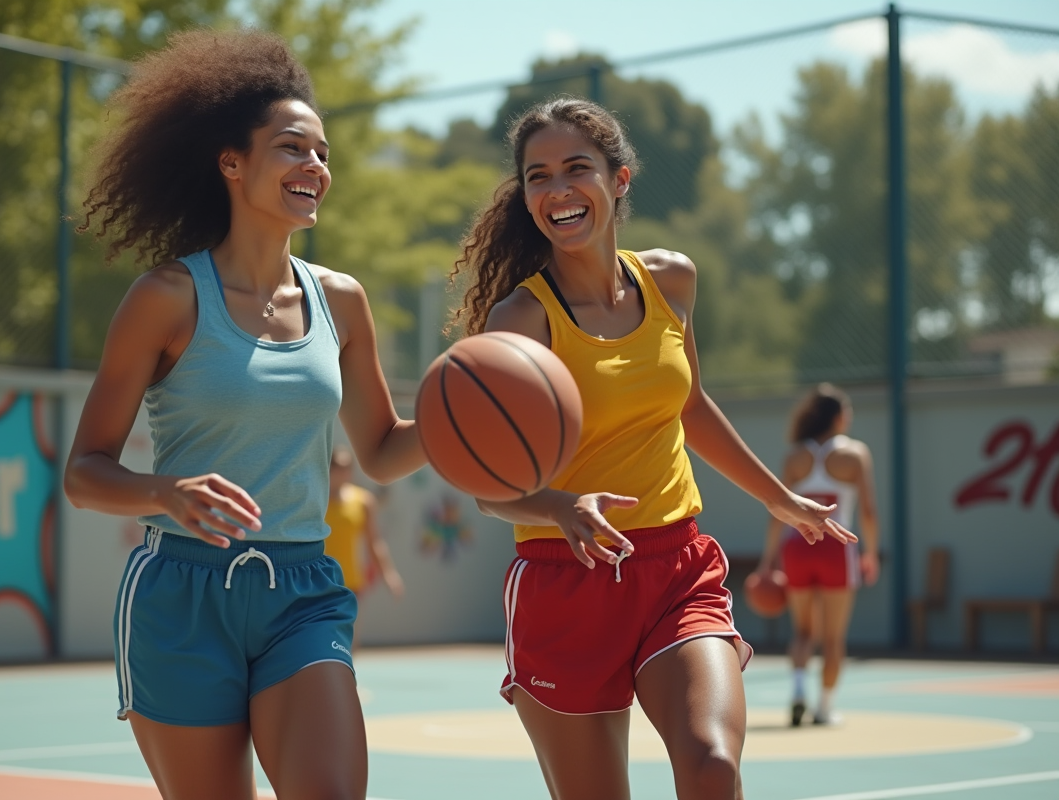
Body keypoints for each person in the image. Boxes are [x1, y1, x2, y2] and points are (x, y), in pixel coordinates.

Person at [449, 97, 857, 800]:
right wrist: (561, 505)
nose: (557, 189)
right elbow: (486, 485)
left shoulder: (671, 280)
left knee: (713, 766)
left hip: (675, 568)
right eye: (538, 176)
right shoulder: (519, 318)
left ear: (620, 179)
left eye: (577, 168)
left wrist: (779, 497)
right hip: (563, 579)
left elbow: (691, 405)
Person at [64, 30, 423, 800]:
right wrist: (164, 491)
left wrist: (465, 427)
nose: (316, 168)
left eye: (323, 153)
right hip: (181, 595)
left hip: (302, 589)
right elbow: (84, 473)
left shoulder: (343, 302)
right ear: (232, 162)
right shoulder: (166, 297)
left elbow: (384, 450)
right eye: (293, 149)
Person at [758, 384, 879, 727]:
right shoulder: (855, 454)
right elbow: (869, 511)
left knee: (802, 631)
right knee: (833, 637)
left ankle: (798, 691)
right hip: (837, 547)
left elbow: (776, 511)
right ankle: (824, 709)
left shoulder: (795, 456)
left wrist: (768, 561)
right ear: (839, 417)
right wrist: (869, 552)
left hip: (798, 544)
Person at [324, 446, 406, 646]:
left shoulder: (363, 501)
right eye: (336, 466)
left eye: (345, 467)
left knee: (348, 641)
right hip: (319, 582)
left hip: (351, 583)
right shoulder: (317, 500)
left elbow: (374, 542)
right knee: (321, 641)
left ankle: (348, 676)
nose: (341, 471)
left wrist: (389, 574)